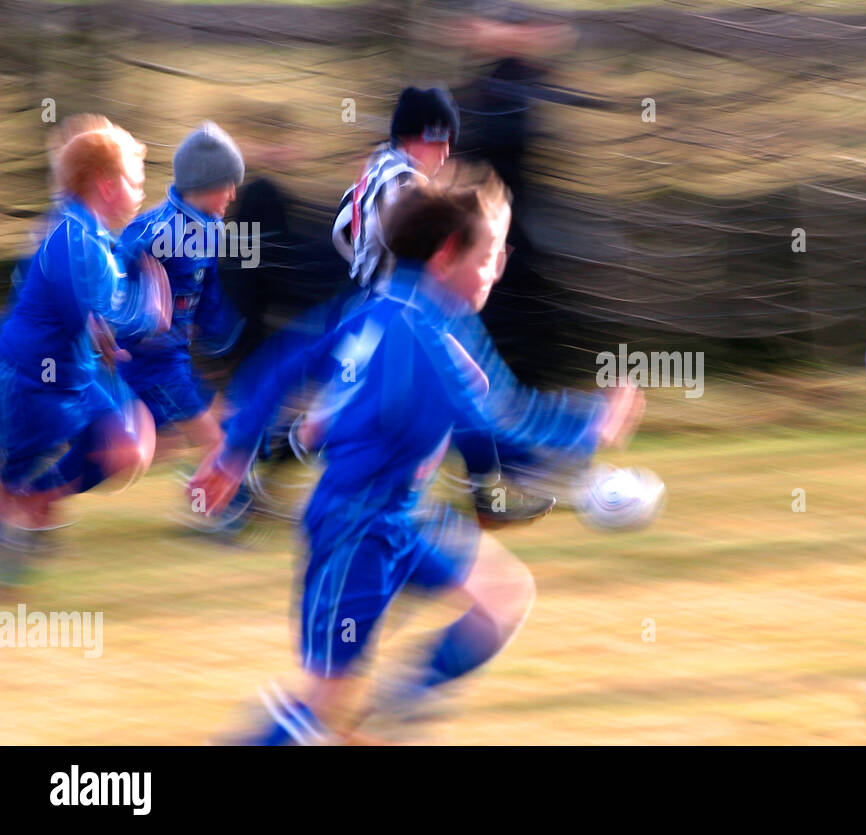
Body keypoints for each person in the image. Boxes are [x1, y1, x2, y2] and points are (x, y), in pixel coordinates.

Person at [192, 163, 642, 743]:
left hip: (399, 519)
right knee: (324, 706)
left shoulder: (384, 310)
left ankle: (390, 714)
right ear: (448, 253)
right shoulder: (424, 337)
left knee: (498, 600)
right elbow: (498, 423)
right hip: (354, 533)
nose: (500, 266)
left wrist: (234, 454)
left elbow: (283, 366)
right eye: (491, 252)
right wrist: (588, 427)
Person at [332, 84, 554, 528]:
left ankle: (468, 490)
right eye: (439, 137)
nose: (447, 149)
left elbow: (340, 230)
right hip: (398, 311)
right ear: (416, 135)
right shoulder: (405, 181)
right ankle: (483, 495)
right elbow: (417, 247)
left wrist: (367, 268)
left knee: (352, 410)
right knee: (464, 382)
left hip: (375, 307)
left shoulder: (375, 170)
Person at [0, 117, 169, 547]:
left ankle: (33, 503)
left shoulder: (93, 238)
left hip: (70, 375)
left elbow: (100, 317)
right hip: (32, 381)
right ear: (107, 186)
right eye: (134, 182)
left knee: (131, 441)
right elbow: (100, 317)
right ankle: (17, 509)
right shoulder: (72, 238)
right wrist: (147, 313)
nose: (140, 193)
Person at [115, 123, 246, 517]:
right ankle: (213, 512)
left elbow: (209, 289)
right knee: (218, 441)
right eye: (228, 184)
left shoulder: (212, 229)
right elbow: (111, 279)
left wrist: (223, 334)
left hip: (176, 361)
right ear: (205, 183)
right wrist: (123, 323)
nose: (233, 194)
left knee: (138, 449)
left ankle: (202, 499)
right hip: (151, 365)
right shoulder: (155, 230)